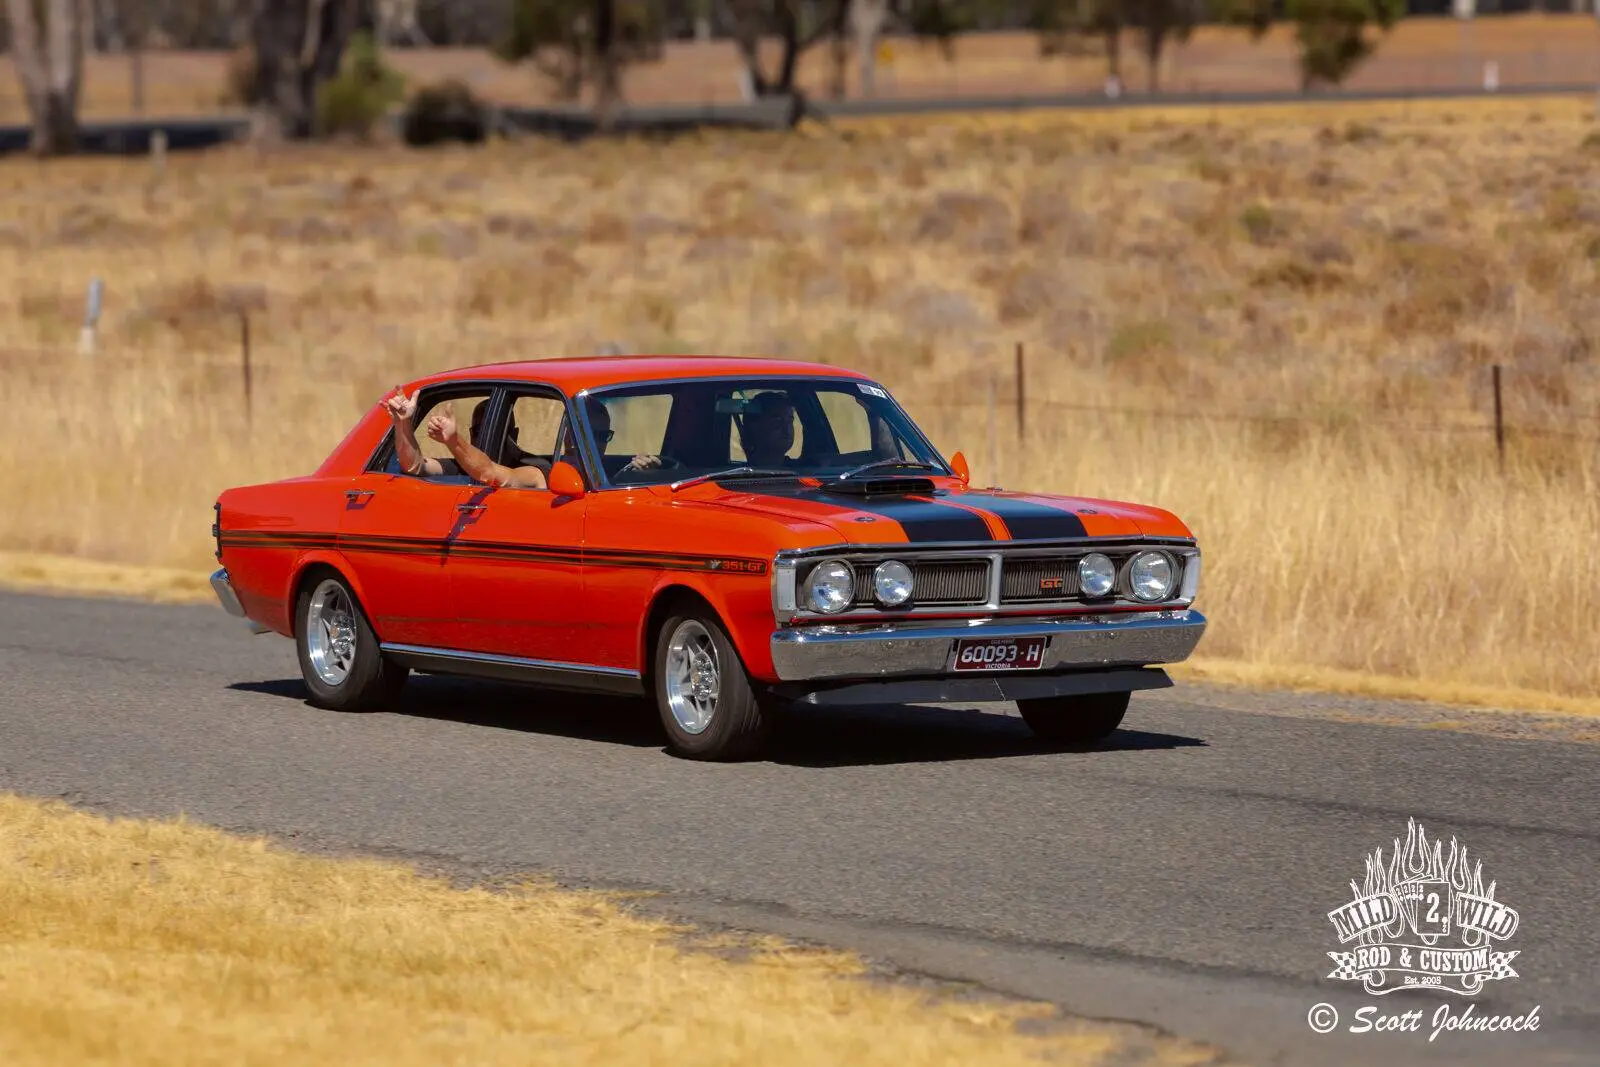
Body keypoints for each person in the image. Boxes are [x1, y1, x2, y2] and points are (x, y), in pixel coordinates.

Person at [382, 386, 546, 489]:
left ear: (515, 435)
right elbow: (414, 466)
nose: (483, 436)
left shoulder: (534, 470)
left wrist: (453, 441)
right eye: (477, 431)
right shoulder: (463, 465)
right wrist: (402, 423)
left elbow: (489, 473)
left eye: (503, 431)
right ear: (470, 434)